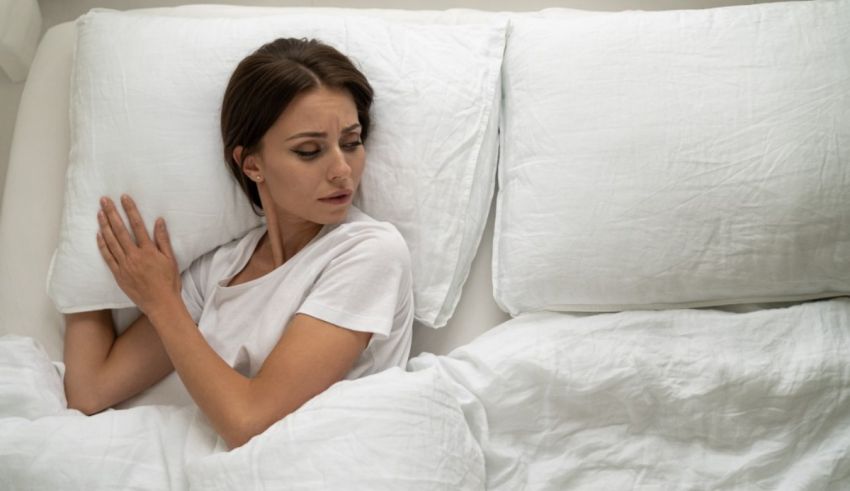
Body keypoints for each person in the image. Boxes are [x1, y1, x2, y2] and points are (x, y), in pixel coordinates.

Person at [62, 38, 414, 449]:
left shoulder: (369, 251)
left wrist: (162, 302)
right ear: (252, 164)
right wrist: (84, 254)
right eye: (309, 151)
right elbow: (90, 391)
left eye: (351, 143)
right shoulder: (220, 268)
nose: (342, 170)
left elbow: (248, 422)